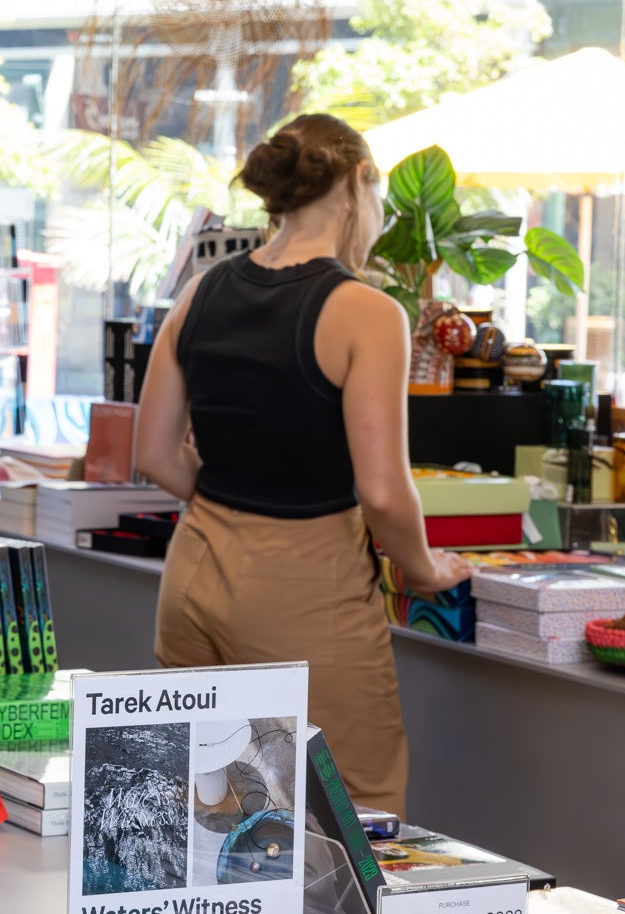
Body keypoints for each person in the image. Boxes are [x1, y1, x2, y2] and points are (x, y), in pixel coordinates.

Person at [133, 113, 473, 818]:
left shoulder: (201, 293)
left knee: (213, 815)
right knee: (354, 810)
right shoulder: (365, 311)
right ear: (355, 185)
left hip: (192, 572)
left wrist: (232, 503)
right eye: (378, 195)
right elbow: (382, 492)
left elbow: (154, 454)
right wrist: (424, 569)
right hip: (304, 585)